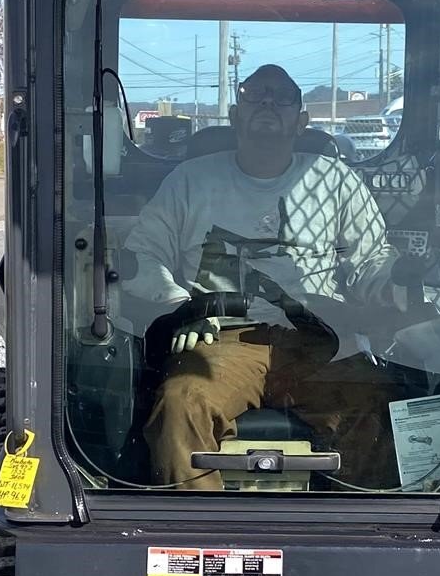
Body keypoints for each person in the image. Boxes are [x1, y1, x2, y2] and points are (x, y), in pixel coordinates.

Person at [119, 63, 400, 489]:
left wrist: (396, 287)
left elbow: (370, 261)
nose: (268, 103)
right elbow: (143, 254)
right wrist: (182, 307)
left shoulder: (335, 181)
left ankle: (362, 533)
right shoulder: (190, 181)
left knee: (377, 403)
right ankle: (198, 536)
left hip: (320, 335)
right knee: (181, 403)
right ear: (235, 115)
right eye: (254, 95)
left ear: (301, 120)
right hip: (223, 335)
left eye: (283, 97)